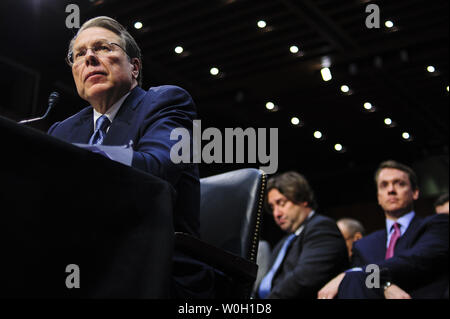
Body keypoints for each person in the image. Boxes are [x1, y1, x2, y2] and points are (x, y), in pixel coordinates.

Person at [47, 16, 213, 298]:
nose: (89, 58)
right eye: (79, 54)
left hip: (155, 267)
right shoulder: (62, 130)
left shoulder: (166, 103)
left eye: (102, 48)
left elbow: (155, 171)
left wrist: (81, 158)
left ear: (134, 67)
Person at [318, 160, 449, 299]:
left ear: (415, 193)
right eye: (384, 185)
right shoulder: (364, 246)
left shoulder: (437, 224)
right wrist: (385, 285)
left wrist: (355, 272)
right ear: (378, 197)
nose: (391, 190)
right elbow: (362, 282)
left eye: (400, 183)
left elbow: (416, 261)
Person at [255, 171, 348, 299]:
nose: (276, 213)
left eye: (281, 203)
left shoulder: (322, 228)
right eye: (272, 207)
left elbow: (304, 278)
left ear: (302, 199)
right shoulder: (283, 243)